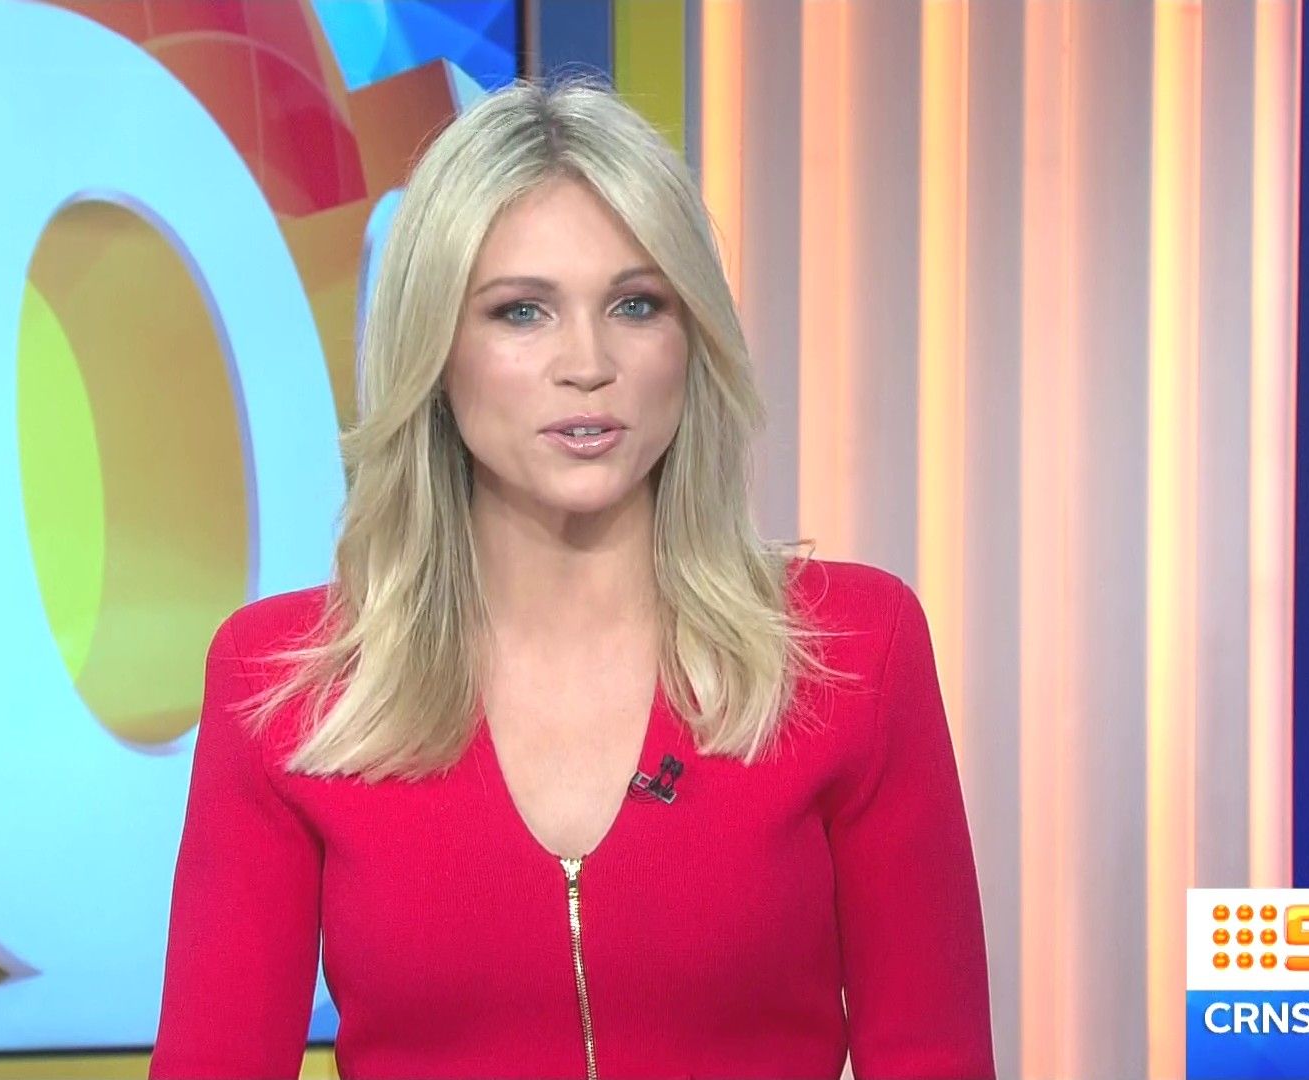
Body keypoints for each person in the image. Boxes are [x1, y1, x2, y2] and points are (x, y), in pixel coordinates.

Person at [148, 75, 993, 1080]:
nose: (587, 362)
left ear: (691, 339)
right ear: (435, 350)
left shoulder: (853, 652)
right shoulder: (286, 686)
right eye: (522, 311)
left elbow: (934, 1056)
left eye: (636, 305)